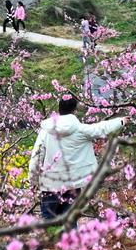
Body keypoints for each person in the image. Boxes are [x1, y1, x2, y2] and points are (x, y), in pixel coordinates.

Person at [29, 94, 126, 227]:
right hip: (72, 186)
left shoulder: (45, 132)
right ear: (74, 110)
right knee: (70, 224)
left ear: (59, 109)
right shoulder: (81, 130)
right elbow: (101, 128)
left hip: (50, 185)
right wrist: (120, 121)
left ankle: (50, 247)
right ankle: (70, 247)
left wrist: (33, 181)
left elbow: (36, 157)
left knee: (48, 225)